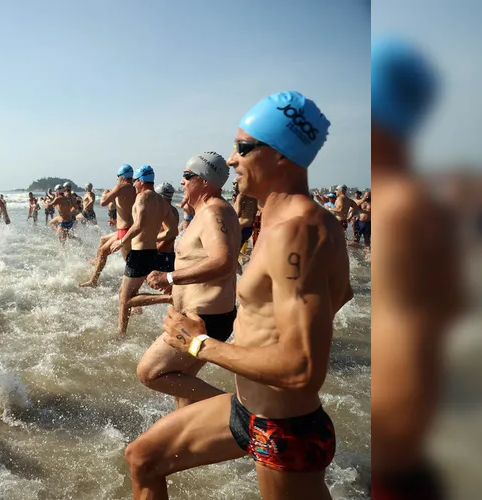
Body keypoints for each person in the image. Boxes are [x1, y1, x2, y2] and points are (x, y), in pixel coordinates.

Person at [126, 91, 348, 499]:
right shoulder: (290, 219)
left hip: (283, 427)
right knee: (142, 459)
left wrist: (198, 344)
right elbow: (343, 292)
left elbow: (302, 370)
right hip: (246, 407)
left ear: (280, 154)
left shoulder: (296, 231)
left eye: (242, 148)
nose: (231, 161)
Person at [368, 37, 464, 499]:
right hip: (412, 450)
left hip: (395, 454)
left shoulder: (397, 208)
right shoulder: (425, 207)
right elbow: (450, 309)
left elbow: (405, 339)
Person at [140, 153, 239, 409]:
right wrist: (179, 284)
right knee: (181, 380)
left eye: (187, 176)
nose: (181, 182)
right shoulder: (211, 211)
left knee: (150, 373)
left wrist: (170, 276)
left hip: (203, 319)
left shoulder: (212, 213)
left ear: (204, 181)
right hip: (206, 316)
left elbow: (223, 261)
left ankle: (237, 408)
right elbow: (211, 259)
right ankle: (185, 436)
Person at [109, 165, 168, 338]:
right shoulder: (160, 200)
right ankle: (134, 316)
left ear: (141, 181)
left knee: (125, 299)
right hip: (152, 252)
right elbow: (171, 227)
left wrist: (121, 241)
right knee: (124, 292)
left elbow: (139, 224)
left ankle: (121, 334)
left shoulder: (142, 197)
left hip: (139, 253)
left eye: (135, 181)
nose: (133, 185)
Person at [79, 165, 136, 287]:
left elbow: (103, 202)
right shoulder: (135, 188)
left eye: (117, 177)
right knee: (103, 240)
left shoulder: (120, 186)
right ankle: (96, 261)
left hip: (124, 231)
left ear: (121, 176)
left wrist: (105, 194)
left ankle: (93, 281)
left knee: (129, 264)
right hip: (129, 228)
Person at [153, 182, 179, 273]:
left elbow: (170, 236)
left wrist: (153, 252)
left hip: (161, 255)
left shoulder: (164, 211)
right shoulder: (174, 210)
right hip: (169, 255)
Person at [234, 181, 259, 255]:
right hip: (250, 225)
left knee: (234, 252)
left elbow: (237, 213)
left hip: (241, 226)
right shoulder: (255, 197)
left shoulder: (241, 196)